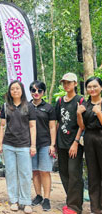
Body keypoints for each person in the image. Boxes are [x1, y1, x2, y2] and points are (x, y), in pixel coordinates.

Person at [0, 80, 36, 214]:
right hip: (8, 145)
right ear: (9, 91)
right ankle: (14, 200)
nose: (15, 91)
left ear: (21, 91)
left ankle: (26, 202)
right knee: (11, 173)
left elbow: (32, 126)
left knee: (25, 174)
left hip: (24, 144)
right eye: (12, 89)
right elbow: (2, 126)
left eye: (17, 89)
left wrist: (33, 145)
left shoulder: (29, 106)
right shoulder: (6, 106)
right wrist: (0, 143)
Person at [55, 73, 84, 214]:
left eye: (69, 82)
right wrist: (54, 143)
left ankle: (75, 207)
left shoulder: (80, 100)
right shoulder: (60, 100)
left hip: (74, 143)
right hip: (61, 143)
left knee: (74, 174)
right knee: (64, 173)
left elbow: (82, 125)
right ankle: (71, 201)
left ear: (75, 84)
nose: (66, 85)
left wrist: (76, 142)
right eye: (64, 83)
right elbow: (57, 122)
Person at [29, 80, 56, 212]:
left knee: (44, 171)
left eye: (39, 90)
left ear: (43, 92)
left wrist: (53, 144)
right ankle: (38, 196)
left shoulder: (49, 108)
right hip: (30, 145)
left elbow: (52, 127)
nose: (36, 93)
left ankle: (46, 199)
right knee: (34, 171)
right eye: (33, 90)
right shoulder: (26, 106)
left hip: (45, 143)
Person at [77, 77, 102, 214]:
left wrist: (99, 113)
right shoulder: (85, 105)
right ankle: (95, 208)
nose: (92, 89)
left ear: (101, 88)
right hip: (89, 138)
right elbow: (82, 126)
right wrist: (79, 114)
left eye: (95, 86)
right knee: (93, 174)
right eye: (89, 87)